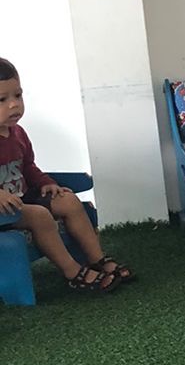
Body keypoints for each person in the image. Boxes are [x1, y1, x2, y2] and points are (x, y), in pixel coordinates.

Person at [0, 57, 132, 293]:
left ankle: (97, 259)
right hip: (4, 212)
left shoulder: (18, 134)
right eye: (2, 100)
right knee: (40, 215)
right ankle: (72, 272)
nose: (13, 105)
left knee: (68, 200)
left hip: (22, 199)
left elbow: (28, 167)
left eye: (18, 96)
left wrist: (46, 182)